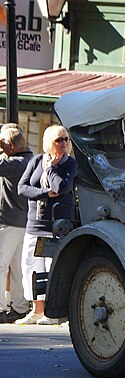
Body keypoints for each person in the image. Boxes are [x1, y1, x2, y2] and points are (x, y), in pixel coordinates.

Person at [15, 125, 77, 325]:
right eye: (59, 140)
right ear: (49, 142)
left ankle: (55, 312)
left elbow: (61, 188)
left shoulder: (69, 164)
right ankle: (37, 309)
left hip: (57, 224)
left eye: (66, 139)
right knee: (31, 267)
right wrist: (43, 193)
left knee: (54, 268)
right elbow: (22, 187)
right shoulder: (36, 160)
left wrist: (51, 169)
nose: (64, 143)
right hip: (35, 223)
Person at [0, 124, 33, 323]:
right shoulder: (31, 160)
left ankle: (1, 308)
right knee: (18, 266)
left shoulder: (14, 164)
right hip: (25, 222)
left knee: (1, 265)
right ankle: (20, 306)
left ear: (11, 145)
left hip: (8, 221)